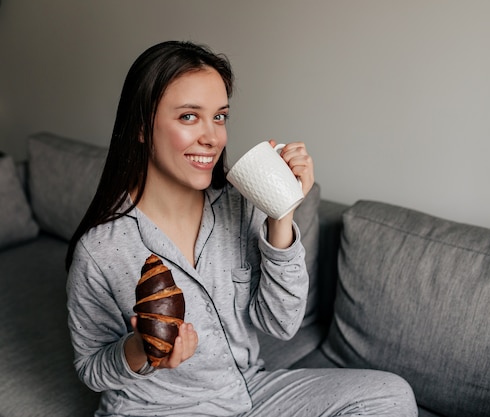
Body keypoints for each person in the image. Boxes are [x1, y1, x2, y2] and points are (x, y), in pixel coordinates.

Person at [66, 40, 418, 416]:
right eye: (189, 116)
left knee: (388, 395)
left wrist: (280, 212)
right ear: (140, 127)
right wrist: (143, 349)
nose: (212, 137)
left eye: (219, 116)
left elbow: (280, 325)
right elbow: (91, 368)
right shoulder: (101, 248)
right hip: (160, 408)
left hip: (248, 392)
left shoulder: (240, 206)